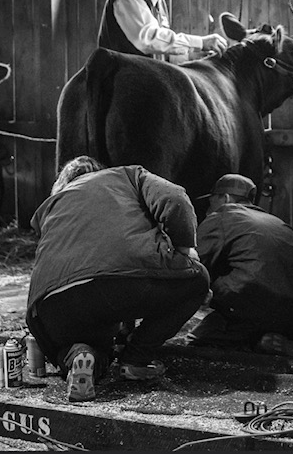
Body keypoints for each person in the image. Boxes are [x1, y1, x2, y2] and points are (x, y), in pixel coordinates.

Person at [25, 156, 210, 403]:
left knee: (91, 345)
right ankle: (136, 359)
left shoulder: (51, 205)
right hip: (116, 281)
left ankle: (79, 356)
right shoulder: (128, 175)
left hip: (48, 306)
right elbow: (175, 199)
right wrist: (184, 249)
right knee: (197, 279)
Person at [187, 174, 293, 357]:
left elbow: (192, 268)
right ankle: (291, 340)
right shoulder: (277, 222)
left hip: (259, 315)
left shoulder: (221, 217)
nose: (208, 210)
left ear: (225, 198)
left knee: (198, 337)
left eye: (211, 202)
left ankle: (253, 341)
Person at [97, 0, 227, 59]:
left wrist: (192, 57)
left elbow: (159, 50)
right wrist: (200, 42)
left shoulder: (159, 2)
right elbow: (148, 39)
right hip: (116, 84)